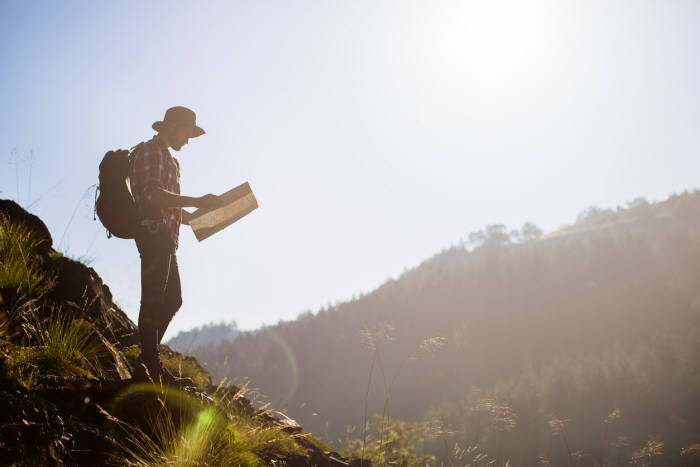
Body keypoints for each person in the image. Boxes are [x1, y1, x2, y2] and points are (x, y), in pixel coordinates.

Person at [129, 106, 221, 382]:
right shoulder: (152, 151)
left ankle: (146, 360)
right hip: (152, 232)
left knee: (172, 299)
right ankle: (149, 366)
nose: (188, 139)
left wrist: (198, 217)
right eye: (187, 132)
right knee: (155, 298)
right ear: (173, 126)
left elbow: (169, 206)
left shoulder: (171, 160)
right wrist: (196, 201)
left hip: (165, 235)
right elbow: (153, 196)